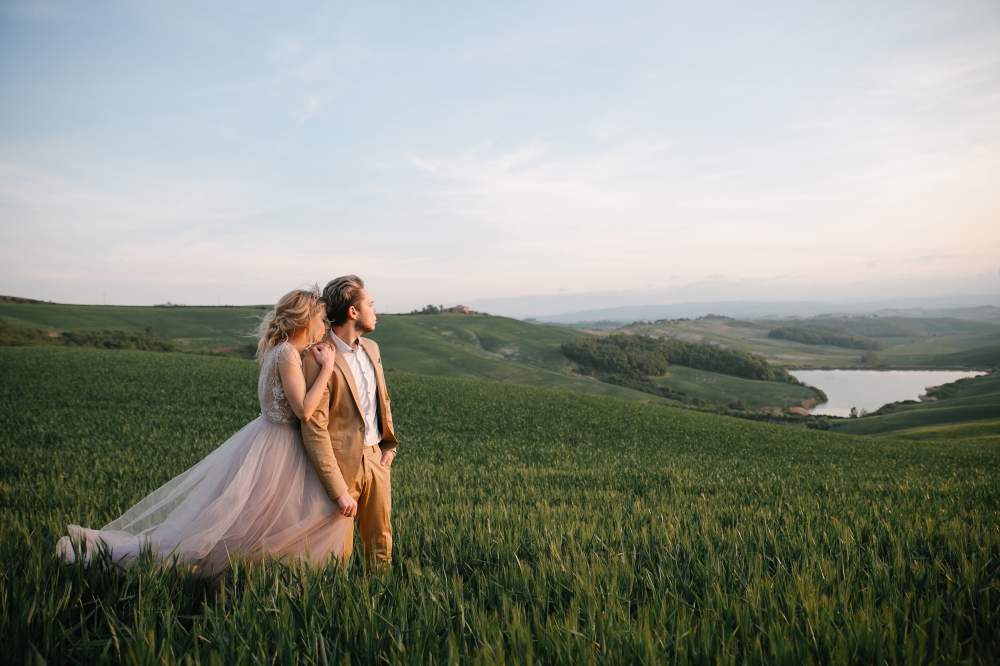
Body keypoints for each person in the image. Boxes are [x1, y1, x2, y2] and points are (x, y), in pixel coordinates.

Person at [56, 287, 352, 579]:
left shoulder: (283, 351)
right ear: (305, 319)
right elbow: (302, 410)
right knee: (255, 522)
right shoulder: (287, 353)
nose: (324, 326)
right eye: (322, 319)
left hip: (266, 440)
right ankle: (227, 576)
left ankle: (251, 578)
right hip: (279, 446)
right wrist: (326, 368)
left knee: (258, 520)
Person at [301, 275, 398, 570]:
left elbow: (383, 399)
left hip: (376, 460)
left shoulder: (373, 348)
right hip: (341, 468)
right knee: (335, 551)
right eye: (370, 304)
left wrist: (389, 445)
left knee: (381, 542)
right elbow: (314, 428)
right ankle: (335, 608)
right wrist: (336, 488)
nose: (375, 310)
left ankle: (379, 602)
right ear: (353, 312)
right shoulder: (317, 357)